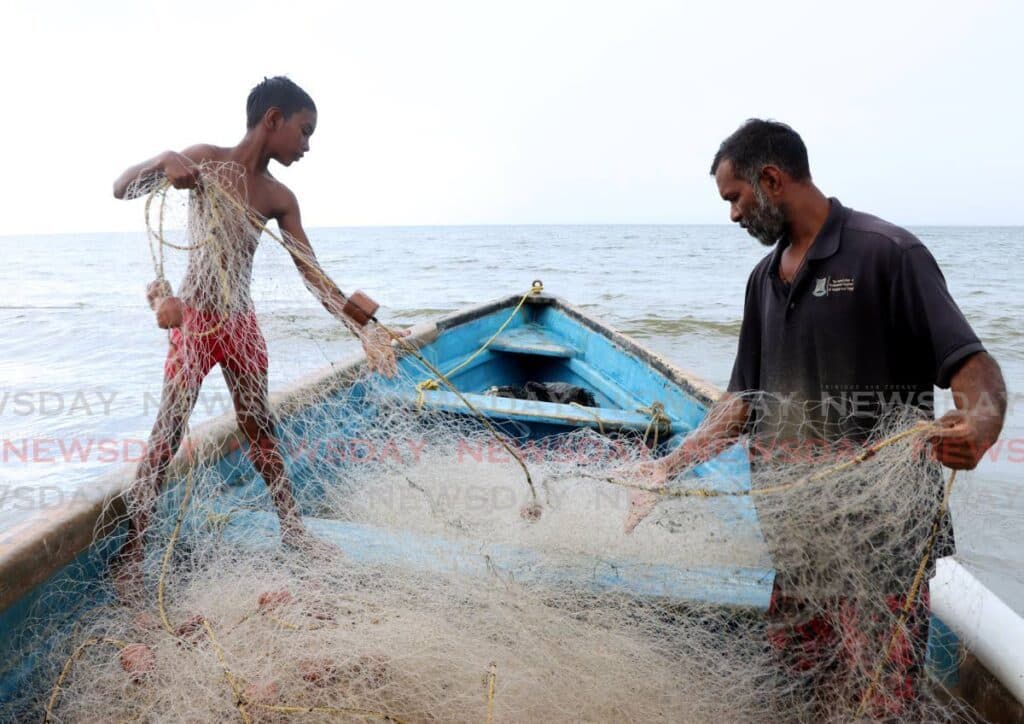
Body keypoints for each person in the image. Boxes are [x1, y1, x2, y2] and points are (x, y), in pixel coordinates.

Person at [623, 119, 1007, 713]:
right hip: (798, 544)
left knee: (879, 700)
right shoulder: (762, 280)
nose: (733, 215)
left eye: (735, 198)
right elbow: (742, 402)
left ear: (771, 179)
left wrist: (979, 425)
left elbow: (973, 367)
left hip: (882, 547)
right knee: (800, 691)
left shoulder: (887, 254)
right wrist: (668, 467)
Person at [111, 76, 401, 600]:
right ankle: (133, 553)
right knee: (167, 435)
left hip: (240, 324)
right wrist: (164, 160)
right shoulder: (205, 160)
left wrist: (365, 329)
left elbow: (311, 272)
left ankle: (293, 530)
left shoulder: (278, 197)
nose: (307, 146)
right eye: (304, 131)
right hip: (195, 322)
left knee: (261, 428)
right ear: (273, 119)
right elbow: (122, 189)